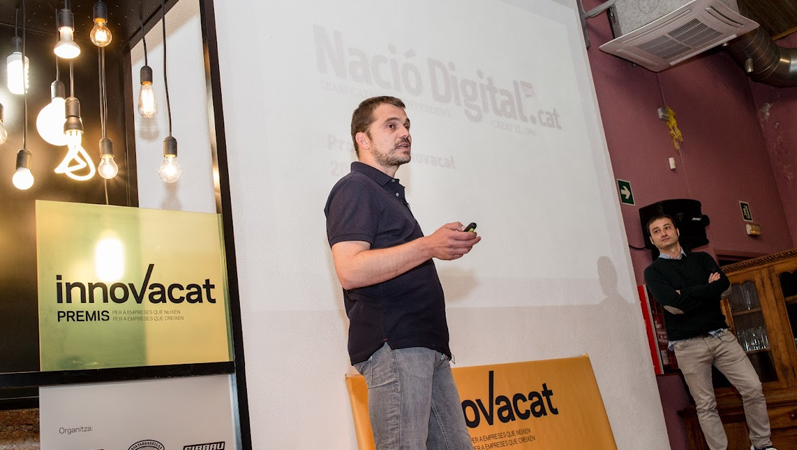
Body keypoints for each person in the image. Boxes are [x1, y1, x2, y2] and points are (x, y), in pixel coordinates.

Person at [325, 96, 480, 449]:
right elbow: (350, 269)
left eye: (407, 126)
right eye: (391, 125)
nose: (405, 133)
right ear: (363, 139)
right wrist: (429, 246)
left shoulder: (389, 196)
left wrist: (436, 246)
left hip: (427, 348)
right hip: (395, 347)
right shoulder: (355, 188)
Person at [643, 214, 776, 450]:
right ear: (652, 240)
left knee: (753, 388)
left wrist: (685, 293)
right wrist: (707, 289)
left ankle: (762, 445)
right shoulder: (654, 272)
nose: (663, 233)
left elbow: (724, 289)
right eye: (656, 231)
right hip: (687, 345)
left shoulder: (702, 259)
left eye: (667, 227)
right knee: (705, 405)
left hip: (721, 337)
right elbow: (674, 306)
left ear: (677, 231)